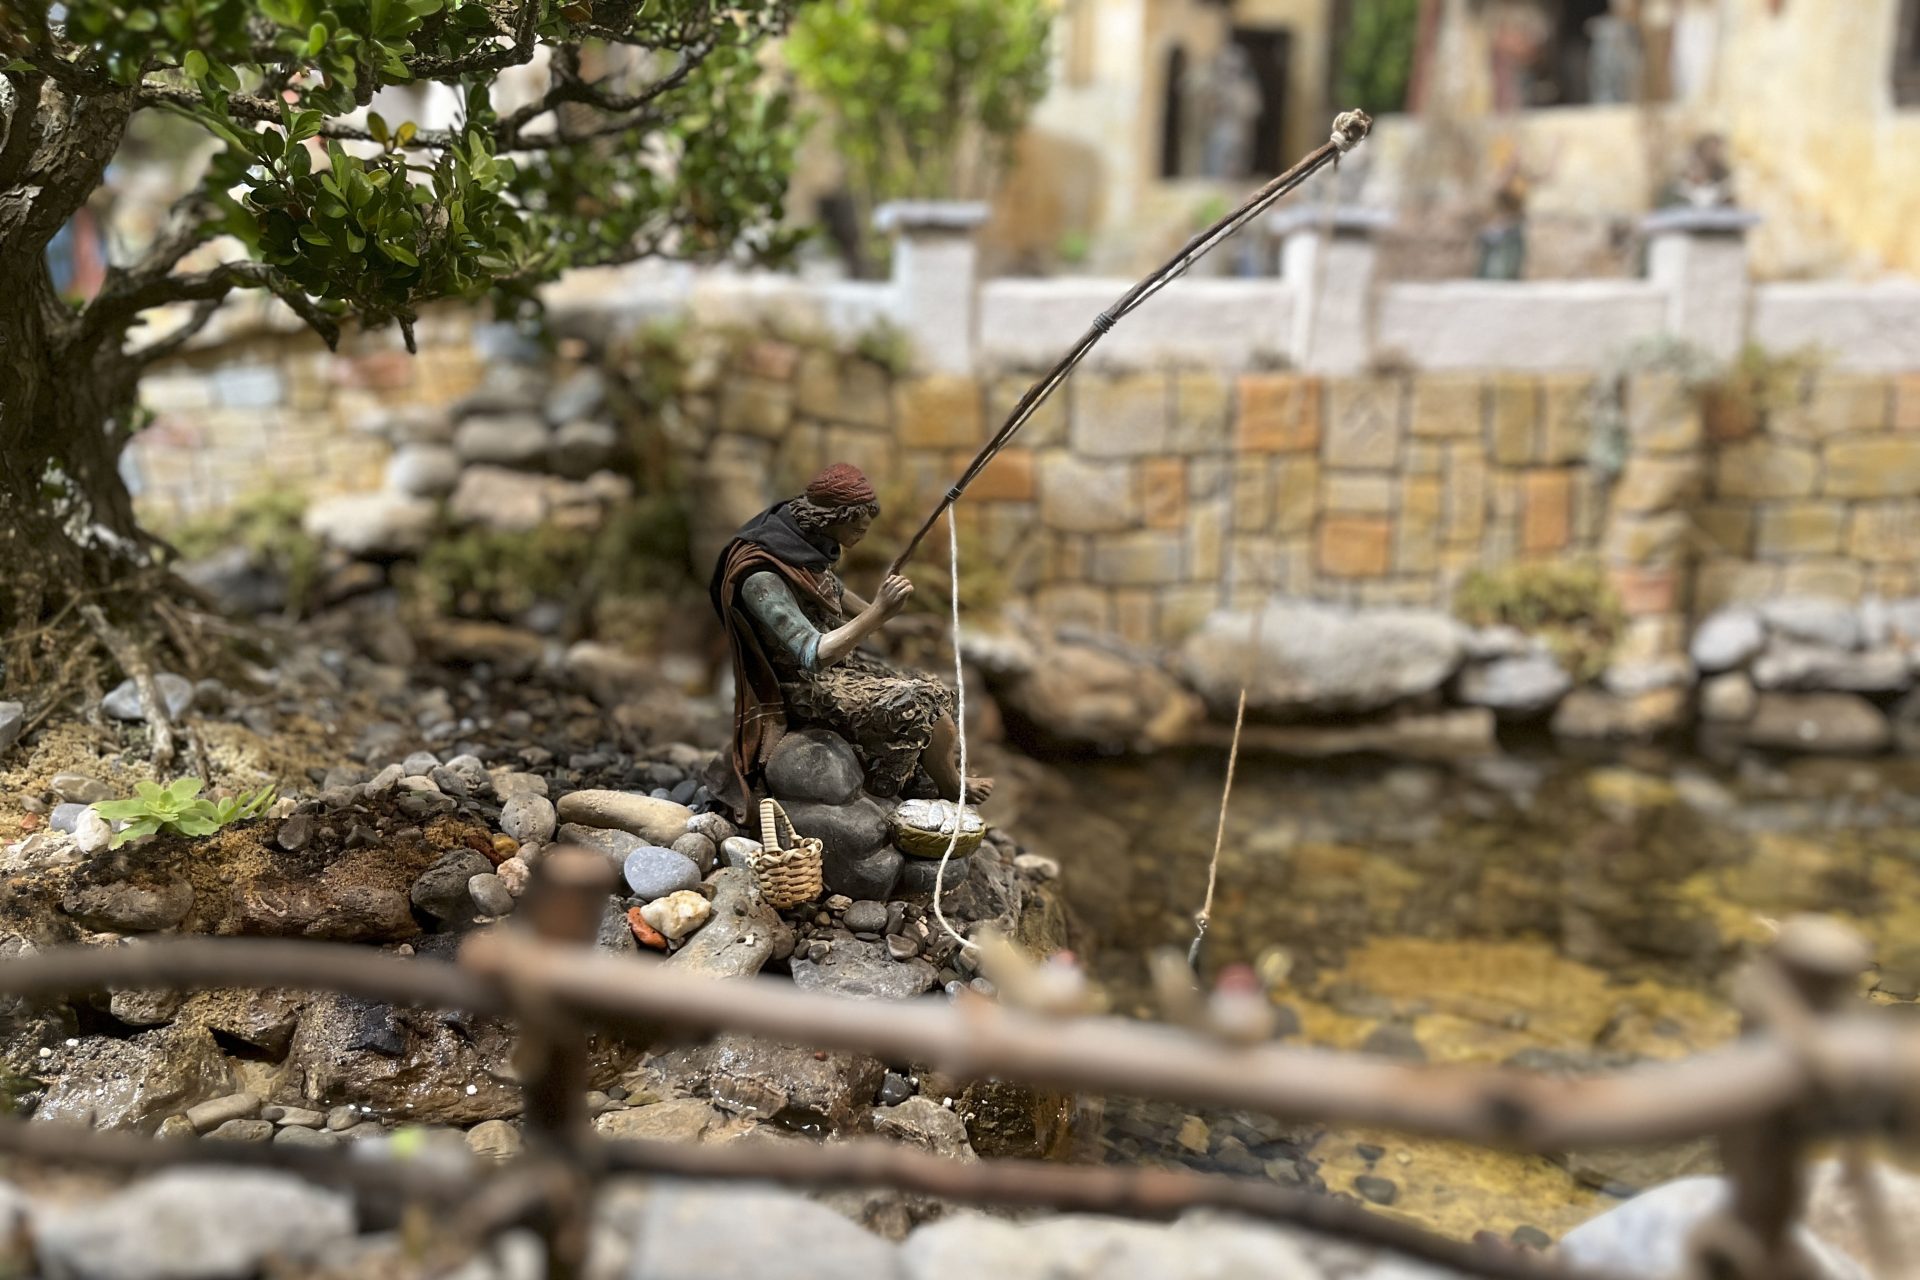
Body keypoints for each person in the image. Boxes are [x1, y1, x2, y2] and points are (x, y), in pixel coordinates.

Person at [708, 463, 991, 820]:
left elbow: (852, 605)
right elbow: (813, 653)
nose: (864, 526)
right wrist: (880, 614)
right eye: (856, 518)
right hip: (801, 685)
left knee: (938, 688)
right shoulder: (763, 577)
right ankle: (914, 783)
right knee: (917, 700)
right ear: (828, 517)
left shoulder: (805, 552)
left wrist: (892, 616)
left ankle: (936, 776)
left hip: (839, 665)